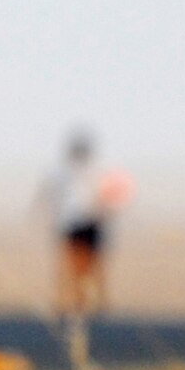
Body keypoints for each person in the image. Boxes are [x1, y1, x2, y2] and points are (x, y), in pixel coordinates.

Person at [36, 131, 126, 320]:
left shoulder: (84, 172)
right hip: (76, 222)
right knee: (77, 263)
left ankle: (88, 302)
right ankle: (78, 301)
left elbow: (112, 194)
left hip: (84, 222)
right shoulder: (76, 172)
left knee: (87, 263)